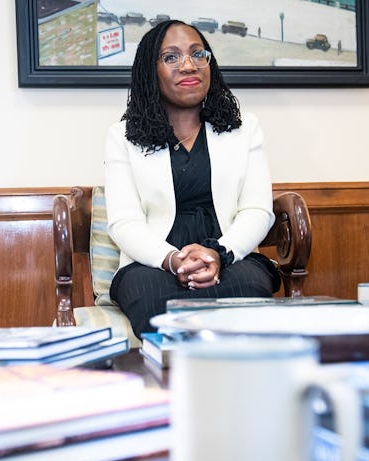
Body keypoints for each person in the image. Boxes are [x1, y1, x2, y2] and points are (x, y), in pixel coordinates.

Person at [104, 19, 280, 337]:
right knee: (155, 299)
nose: (189, 65)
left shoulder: (245, 129)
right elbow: (124, 221)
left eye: (198, 54)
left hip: (230, 256)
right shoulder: (122, 137)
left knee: (248, 290)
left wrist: (218, 253)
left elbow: (257, 210)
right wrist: (173, 260)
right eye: (171, 57)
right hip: (153, 264)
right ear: (150, 70)